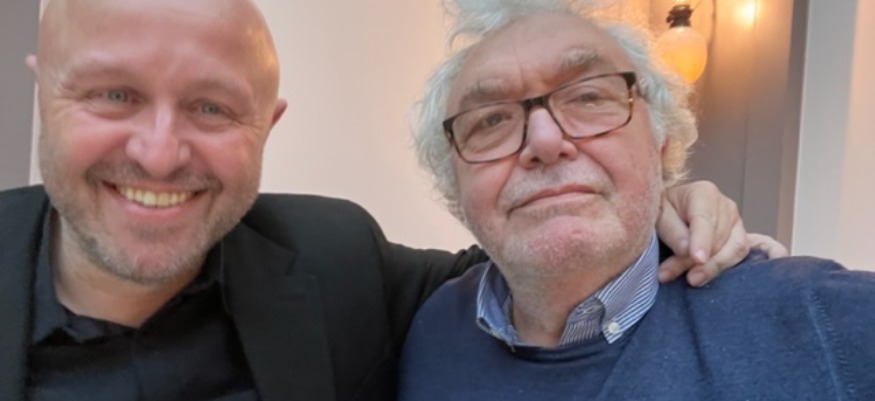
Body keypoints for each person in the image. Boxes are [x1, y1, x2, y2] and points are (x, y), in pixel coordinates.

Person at [0, 0, 782, 400]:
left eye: (212, 108)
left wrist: (661, 204)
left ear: (267, 125)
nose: (158, 152)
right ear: (44, 94)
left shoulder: (333, 259)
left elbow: (533, 257)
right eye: (113, 95)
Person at [398, 1, 875, 400]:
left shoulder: (825, 318)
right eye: (490, 121)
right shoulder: (431, 329)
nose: (543, 141)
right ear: (454, 185)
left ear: (661, 144)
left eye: (588, 97)